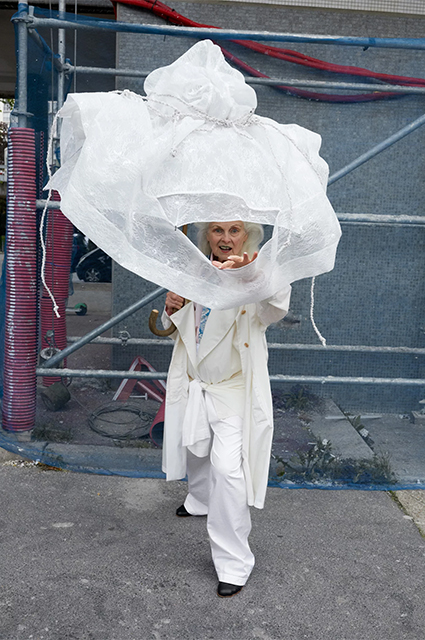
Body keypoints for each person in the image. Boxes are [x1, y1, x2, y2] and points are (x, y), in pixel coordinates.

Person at [162, 220, 292, 598]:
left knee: (227, 469)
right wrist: (170, 307)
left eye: (235, 230)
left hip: (233, 390)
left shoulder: (257, 275)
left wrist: (253, 277)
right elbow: (169, 328)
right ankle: (200, 500)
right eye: (217, 230)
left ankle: (234, 563)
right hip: (196, 381)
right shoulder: (195, 273)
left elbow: (276, 305)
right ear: (207, 237)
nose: (225, 238)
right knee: (195, 446)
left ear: (247, 236)